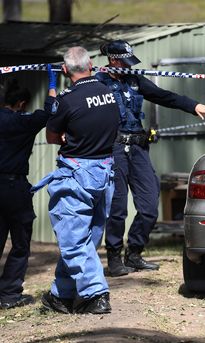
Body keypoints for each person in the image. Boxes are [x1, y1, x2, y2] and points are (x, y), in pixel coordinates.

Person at [96, 40, 205, 277]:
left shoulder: (135, 80)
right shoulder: (98, 83)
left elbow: (164, 96)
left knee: (150, 205)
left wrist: (193, 106)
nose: (129, 66)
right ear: (112, 60)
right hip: (114, 149)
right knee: (118, 208)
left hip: (139, 148)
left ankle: (135, 253)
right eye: (124, 62)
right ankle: (115, 257)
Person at [32, 47, 120, 314]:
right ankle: (62, 294)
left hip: (76, 175)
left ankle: (96, 294)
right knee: (86, 238)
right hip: (105, 172)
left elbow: (50, 136)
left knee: (72, 239)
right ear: (91, 64)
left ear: (66, 70)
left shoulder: (67, 100)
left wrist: (66, 133)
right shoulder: (109, 93)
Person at [0, 80, 50, 309]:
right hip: (14, 187)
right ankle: (9, 294)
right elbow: (49, 112)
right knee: (20, 243)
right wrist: (51, 91)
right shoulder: (24, 121)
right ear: (21, 103)